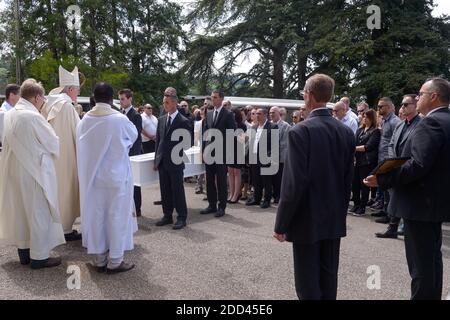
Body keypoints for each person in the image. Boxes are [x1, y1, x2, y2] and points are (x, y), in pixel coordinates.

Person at [365, 78, 450, 300]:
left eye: (420, 94)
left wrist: (382, 180)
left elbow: (418, 165)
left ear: (433, 97)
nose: (416, 97)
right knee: (432, 262)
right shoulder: (446, 120)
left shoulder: (430, 123)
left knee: (421, 266)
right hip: (435, 202)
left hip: (420, 203)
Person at [274, 74, 355, 300]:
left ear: (309, 96)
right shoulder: (346, 132)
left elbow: (293, 183)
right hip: (333, 216)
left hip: (306, 218)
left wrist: (281, 223)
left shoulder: (300, 131)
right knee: (329, 279)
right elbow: (348, 179)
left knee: (308, 283)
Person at [0, 79, 65, 269]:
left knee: (21, 211)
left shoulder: (10, 113)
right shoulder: (33, 116)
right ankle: (39, 257)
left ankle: (24, 253)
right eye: (42, 98)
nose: (43, 101)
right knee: (39, 213)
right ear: (37, 97)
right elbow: (52, 143)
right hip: (34, 172)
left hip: (14, 170)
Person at [77, 82, 138, 274]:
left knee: (97, 217)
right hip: (115, 177)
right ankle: (115, 260)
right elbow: (133, 136)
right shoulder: (119, 119)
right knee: (116, 216)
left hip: (93, 179)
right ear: (112, 99)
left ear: (94, 97)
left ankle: (99, 258)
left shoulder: (84, 120)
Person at [41, 65, 81, 241]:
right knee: (66, 190)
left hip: (52, 155)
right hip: (67, 156)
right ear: (70, 89)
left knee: (57, 190)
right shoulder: (66, 106)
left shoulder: (51, 103)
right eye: (77, 90)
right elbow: (78, 133)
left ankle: (58, 227)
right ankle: (65, 229)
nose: (78, 94)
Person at [375, 94, 421, 239]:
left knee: (406, 199)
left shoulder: (421, 124)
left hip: (409, 168)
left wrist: (402, 164)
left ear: (415, 106)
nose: (402, 107)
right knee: (394, 197)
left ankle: (406, 227)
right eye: (402, 104)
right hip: (395, 166)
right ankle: (392, 228)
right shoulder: (401, 124)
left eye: (406, 105)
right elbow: (391, 143)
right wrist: (392, 161)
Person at [154, 94, 192, 230]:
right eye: (164, 102)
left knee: (178, 190)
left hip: (175, 160)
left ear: (174, 103)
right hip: (163, 160)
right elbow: (158, 141)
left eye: (167, 102)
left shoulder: (183, 121)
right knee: (165, 189)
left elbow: (188, 142)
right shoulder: (162, 119)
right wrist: (156, 160)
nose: (165, 105)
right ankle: (167, 215)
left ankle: (182, 217)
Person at [201, 89, 237, 218]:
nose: (213, 99)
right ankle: (212, 205)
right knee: (209, 180)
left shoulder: (228, 114)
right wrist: (204, 151)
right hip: (209, 153)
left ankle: (222, 206)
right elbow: (205, 134)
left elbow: (232, 133)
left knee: (221, 181)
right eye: (212, 97)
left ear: (221, 99)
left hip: (221, 153)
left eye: (215, 97)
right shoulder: (209, 114)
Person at [372, 97, 401, 223]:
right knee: (384, 188)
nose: (378, 109)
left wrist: (391, 161)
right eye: (378, 106)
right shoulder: (385, 121)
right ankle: (385, 210)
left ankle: (391, 216)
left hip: (389, 160)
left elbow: (396, 142)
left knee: (390, 190)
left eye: (381, 107)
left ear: (389, 107)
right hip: (382, 158)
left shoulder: (395, 121)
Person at [350, 109, 381, 216]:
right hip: (357, 161)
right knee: (355, 184)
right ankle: (356, 204)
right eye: (363, 117)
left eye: (366, 117)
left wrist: (353, 149)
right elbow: (353, 142)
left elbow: (369, 147)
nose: (364, 119)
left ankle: (362, 207)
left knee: (364, 185)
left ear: (372, 118)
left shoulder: (375, 131)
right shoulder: (360, 130)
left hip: (366, 162)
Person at [246, 108, 278, 209]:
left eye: (259, 114)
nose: (257, 115)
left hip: (265, 158)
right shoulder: (254, 127)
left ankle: (267, 200)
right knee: (256, 180)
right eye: (256, 114)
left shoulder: (272, 126)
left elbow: (274, 144)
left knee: (266, 180)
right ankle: (257, 198)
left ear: (265, 115)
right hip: (254, 157)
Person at [119, 89, 143, 217]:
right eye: (120, 99)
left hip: (132, 152)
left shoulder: (135, 115)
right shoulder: (119, 113)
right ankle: (127, 206)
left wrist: (131, 153)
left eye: (123, 99)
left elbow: (136, 135)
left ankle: (137, 208)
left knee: (135, 181)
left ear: (130, 99)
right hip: (122, 152)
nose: (121, 102)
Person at [269, 106, 291, 204]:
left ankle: (278, 196)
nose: (271, 114)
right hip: (268, 156)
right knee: (271, 178)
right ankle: (272, 195)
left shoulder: (285, 126)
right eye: (270, 113)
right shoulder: (268, 124)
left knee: (279, 178)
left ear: (279, 114)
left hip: (279, 157)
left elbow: (284, 143)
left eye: (273, 112)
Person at [227, 107, 247, 203]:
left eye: (233, 114)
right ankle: (231, 193)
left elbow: (242, 140)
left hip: (238, 150)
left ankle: (236, 194)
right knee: (230, 171)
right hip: (230, 150)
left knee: (237, 172)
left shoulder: (242, 125)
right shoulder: (228, 124)